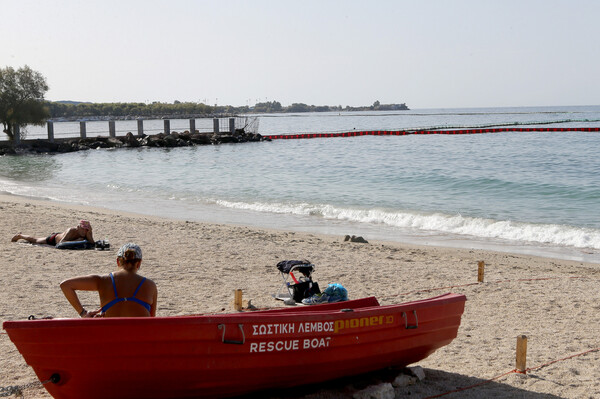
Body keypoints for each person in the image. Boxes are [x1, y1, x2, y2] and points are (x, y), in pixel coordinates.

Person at [60, 243, 157, 318]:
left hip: (110, 337)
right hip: (139, 340)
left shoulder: (103, 280)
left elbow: (65, 285)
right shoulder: (150, 285)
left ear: (118, 261)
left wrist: (83, 313)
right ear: (139, 263)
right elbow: (152, 320)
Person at [12, 220, 94, 246]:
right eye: (83, 229)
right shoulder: (71, 230)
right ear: (78, 227)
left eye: (86, 229)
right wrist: (77, 241)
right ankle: (20, 236)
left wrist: (90, 232)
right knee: (35, 240)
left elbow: (92, 243)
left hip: (61, 235)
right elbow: (61, 242)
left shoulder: (87, 232)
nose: (84, 231)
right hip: (54, 239)